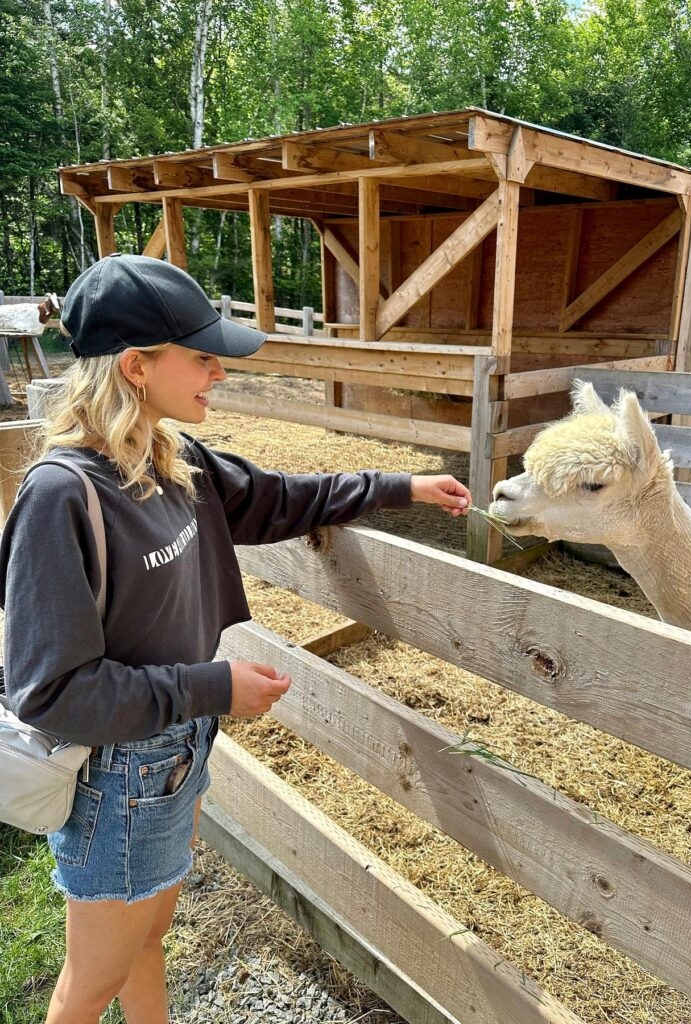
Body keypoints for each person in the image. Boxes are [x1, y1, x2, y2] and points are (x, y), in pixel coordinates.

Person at [0, 253, 472, 1024]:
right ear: (134, 365)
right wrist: (215, 687)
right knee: (86, 987)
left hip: (177, 749)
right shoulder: (63, 496)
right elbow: (53, 693)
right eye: (202, 358)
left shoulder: (171, 461)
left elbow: (283, 498)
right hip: (115, 772)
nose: (219, 374)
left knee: (148, 933)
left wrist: (398, 488)